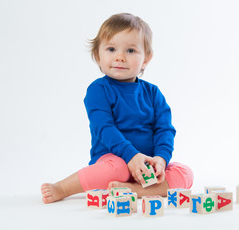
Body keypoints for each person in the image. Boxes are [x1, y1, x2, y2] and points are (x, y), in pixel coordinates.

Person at [41, 13, 193, 204]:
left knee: (185, 173)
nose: (120, 57)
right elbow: (104, 128)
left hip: (148, 168)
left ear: (146, 59)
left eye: (130, 51)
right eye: (111, 49)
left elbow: (164, 129)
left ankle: (136, 190)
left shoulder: (153, 93)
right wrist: (132, 157)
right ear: (98, 55)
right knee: (117, 168)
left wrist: (160, 160)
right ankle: (63, 188)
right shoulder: (98, 90)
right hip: (114, 162)